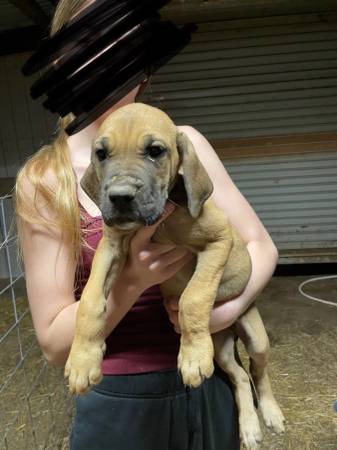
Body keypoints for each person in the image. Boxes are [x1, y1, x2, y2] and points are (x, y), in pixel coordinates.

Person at [15, 1, 279, 449]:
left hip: (206, 381)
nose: (114, 56)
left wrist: (219, 314)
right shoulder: (46, 180)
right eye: (92, 42)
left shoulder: (185, 143)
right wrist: (133, 279)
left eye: (127, 41)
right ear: (62, 60)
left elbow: (261, 248)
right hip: (120, 402)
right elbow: (56, 346)